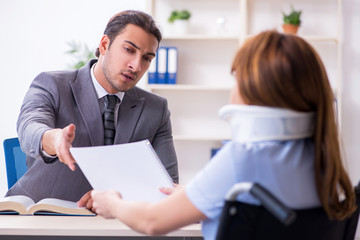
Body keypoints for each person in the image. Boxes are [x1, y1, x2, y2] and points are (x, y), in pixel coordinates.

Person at [90, 30, 356, 239]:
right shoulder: (322, 162)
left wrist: (113, 204)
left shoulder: (244, 158)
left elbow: (152, 221)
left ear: (256, 91)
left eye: (237, 79)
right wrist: (197, 193)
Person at [5, 10, 179, 205]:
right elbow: (30, 126)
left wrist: (119, 198)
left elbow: (168, 186)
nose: (136, 66)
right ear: (105, 45)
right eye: (129, 50)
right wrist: (53, 139)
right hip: (40, 215)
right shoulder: (52, 84)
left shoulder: (156, 109)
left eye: (147, 58)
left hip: (111, 224)